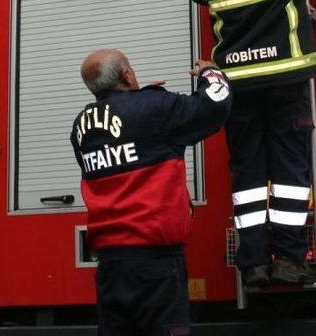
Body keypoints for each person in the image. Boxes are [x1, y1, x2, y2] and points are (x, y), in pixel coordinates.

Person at [184, 0, 316, 288]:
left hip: (237, 84)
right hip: (286, 76)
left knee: (247, 172)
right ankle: (288, 260)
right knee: (289, 169)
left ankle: (252, 264)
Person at [70, 49, 231, 335]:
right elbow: (214, 106)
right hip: (156, 264)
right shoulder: (153, 107)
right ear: (127, 75)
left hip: (110, 265)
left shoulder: (81, 128)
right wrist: (211, 73)